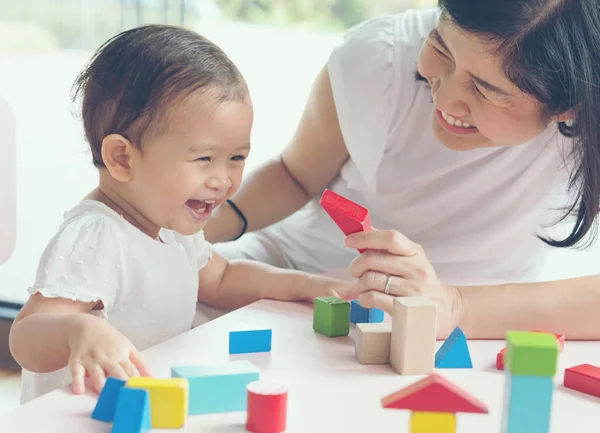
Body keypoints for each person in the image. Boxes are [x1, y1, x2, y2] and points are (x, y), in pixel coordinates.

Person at [205, 0, 600, 340]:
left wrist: (455, 307)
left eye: (483, 90)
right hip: (296, 276)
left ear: (569, 107)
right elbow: (294, 176)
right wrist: (186, 227)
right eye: (441, 48)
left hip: (474, 326)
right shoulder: (379, 60)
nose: (443, 97)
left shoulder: (588, 113)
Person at [8, 25, 356, 404]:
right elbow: (25, 336)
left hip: (144, 406)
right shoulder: (96, 237)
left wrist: (303, 284)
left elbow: (222, 278)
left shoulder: (173, 224)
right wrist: (77, 330)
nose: (223, 180)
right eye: (205, 159)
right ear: (122, 158)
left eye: (237, 158)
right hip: (76, 419)